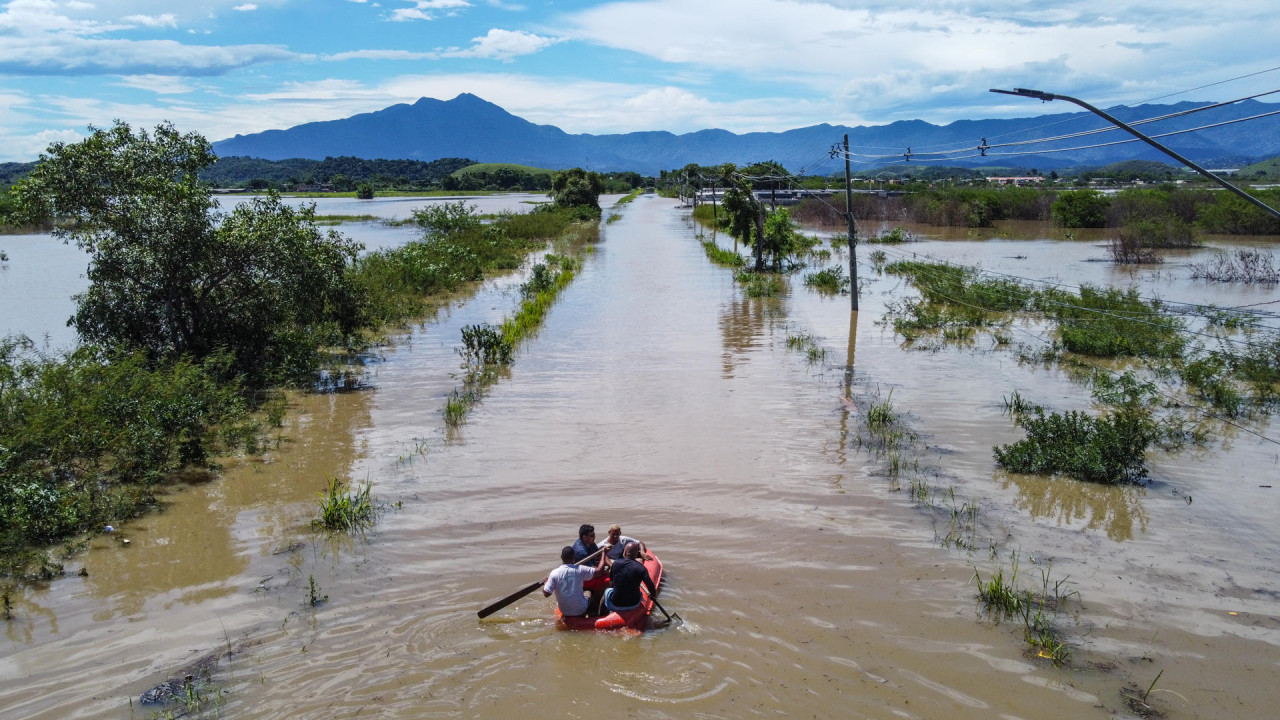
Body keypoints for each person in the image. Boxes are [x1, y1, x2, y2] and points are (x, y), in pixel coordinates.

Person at [543, 545, 607, 617]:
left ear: (562, 558)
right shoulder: (580, 569)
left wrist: (546, 583)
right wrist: (604, 553)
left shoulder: (554, 573)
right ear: (574, 558)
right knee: (588, 592)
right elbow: (599, 571)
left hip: (564, 611)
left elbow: (546, 594)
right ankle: (593, 612)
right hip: (580, 610)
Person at [603, 541, 657, 613]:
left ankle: (600, 613)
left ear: (624, 552)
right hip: (633, 604)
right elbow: (651, 587)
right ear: (636, 555)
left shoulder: (616, 564)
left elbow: (612, 579)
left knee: (606, 591)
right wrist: (652, 595)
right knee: (639, 593)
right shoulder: (641, 568)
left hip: (615, 603)